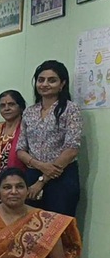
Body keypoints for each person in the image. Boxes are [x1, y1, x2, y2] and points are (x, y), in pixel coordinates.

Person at [16, 60, 83, 217]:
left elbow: (72, 149)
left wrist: (43, 179)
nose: (45, 84)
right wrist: (39, 165)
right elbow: (20, 149)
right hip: (32, 174)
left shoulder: (71, 109)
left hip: (62, 176)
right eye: (41, 80)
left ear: (62, 84)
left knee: (58, 225)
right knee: (31, 224)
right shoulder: (29, 112)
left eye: (52, 80)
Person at [0, 90, 27, 205]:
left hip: (18, 184)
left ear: (21, 107)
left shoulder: (26, 128)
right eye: (2, 105)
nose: (6, 108)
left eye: (11, 104)